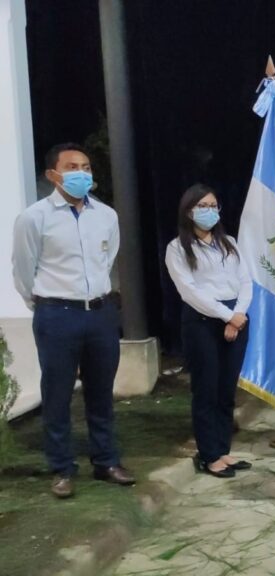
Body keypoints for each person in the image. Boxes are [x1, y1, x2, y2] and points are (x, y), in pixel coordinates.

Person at [11, 143, 135, 498]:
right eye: (71, 167)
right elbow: (23, 269)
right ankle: (62, 468)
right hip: (57, 315)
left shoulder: (106, 216)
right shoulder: (34, 218)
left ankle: (106, 461)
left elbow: (107, 258)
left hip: (99, 314)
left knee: (101, 392)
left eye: (86, 167)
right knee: (58, 394)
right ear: (53, 175)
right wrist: (43, 305)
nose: (81, 173)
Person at [166, 184, 253, 478]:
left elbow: (245, 282)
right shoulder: (177, 248)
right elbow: (190, 292)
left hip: (236, 318)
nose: (209, 211)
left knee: (226, 391)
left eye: (213, 205)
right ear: (189, 211)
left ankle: (223, 450)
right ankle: (208, 455)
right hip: (202, 322)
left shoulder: (229, 242)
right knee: (206, 390)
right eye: (202, 206)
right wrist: (228, 316)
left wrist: (238, 315)